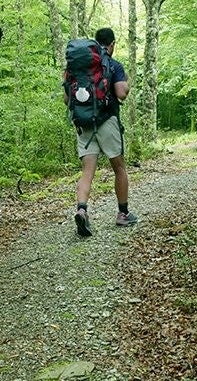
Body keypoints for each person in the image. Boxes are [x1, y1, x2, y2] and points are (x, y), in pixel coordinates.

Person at [68, 27, 137, 237]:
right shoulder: (113, 65)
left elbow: (66, 99)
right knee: (119, 168)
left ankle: (82, 209)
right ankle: (123, 214)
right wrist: (127, 80)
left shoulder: (77, 69)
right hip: (107, 121)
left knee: (87, 171)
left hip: (84, 123)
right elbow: (121, 93)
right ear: (112, 44)